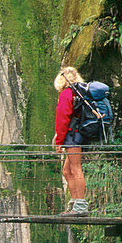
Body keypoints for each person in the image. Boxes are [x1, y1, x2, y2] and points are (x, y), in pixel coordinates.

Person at [53, 66, 89, 216]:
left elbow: (62, 118)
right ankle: (75, 203)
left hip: (72, 136)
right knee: (67, 171)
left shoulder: (67, 94)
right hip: (79, 135)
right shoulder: (79, 93)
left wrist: (59, 141)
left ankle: (80, 207)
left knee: (75, 168)